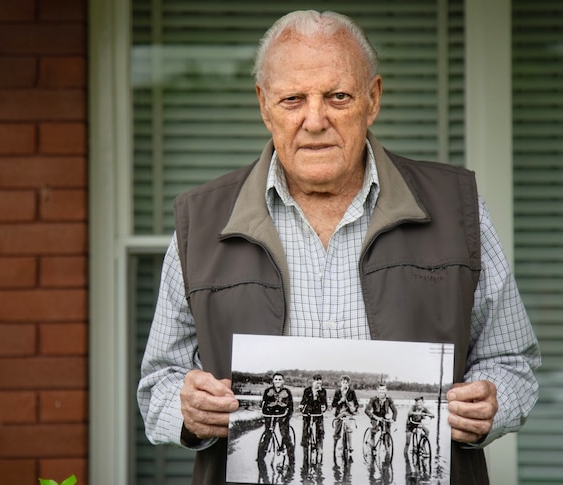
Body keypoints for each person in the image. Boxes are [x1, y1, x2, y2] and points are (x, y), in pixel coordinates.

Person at [137, 9, 541, 485]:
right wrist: (188, 412)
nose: (315, 120)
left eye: (338, 97)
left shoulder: (457, 210)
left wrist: (492, 403)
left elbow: (512, 361)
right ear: (264, 105)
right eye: (293, 99)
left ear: (373, 99)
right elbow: (158, 381)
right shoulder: (201, 224)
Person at [259, 372, 294, 456]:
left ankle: (291, 457)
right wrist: (264, 413)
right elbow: (263, 403)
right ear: (273, 381)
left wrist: (288, 416)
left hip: (283, 414)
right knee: (268, 433)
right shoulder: (268, 391)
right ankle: (261, 455)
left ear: (283, 381)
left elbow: (290, 405)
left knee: (285, 434)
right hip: (270, 414)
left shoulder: (287, 391)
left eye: (280, 379)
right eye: (276, 379)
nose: (278, 381)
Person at [331, 375, 359, 453]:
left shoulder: (351, 392)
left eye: (346, 383)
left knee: (348, 427)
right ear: (341, 383)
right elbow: (333, 404)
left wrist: (354, 408)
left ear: (348, 384)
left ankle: (350, 445)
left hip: (348, 412)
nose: (345, 384)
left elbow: (356, 403)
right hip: (339, 412)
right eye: (343, 382)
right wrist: (340, 401)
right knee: (337, 429)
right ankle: (336, 445)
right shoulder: (337, 392)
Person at [299, 374, 327, 449]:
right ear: (313, 382)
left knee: (320, 428)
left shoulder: (323, 391)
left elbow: (324, 403)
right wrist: (301, 406)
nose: (318, 384)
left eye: (320, 383)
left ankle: (319, 444)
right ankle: (304, 443)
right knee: (306, 426)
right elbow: (303, 401)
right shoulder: (307, 390)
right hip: (308, 411)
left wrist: (324, 407)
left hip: (318, 412)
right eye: (317, 382)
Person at [364, 384, 397, 448]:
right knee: (375, 428)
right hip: (375, 416)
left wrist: (393, 419)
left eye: (384, 389)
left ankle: (387, 447)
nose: (382, 391)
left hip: (385, 416)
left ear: (386, 390)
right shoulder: (373, 399)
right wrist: (375, 417)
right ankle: (372, 442)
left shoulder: (388, 399)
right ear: (378, 390)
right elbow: (367, 410)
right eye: (381, 389)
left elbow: (395, 410)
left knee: (387, 431)